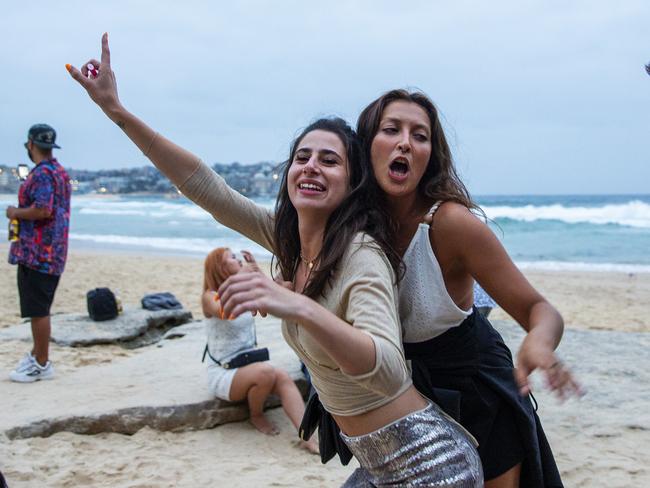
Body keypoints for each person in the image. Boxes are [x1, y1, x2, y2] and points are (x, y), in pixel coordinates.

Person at [67, 34, 483, 485]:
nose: (311, 167)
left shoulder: (361, 255)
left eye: (329, 160)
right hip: (376, 466)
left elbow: (385, 370)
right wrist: (117, 112)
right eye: (302, 157)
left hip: (432, 467)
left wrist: (296, 304)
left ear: (351, 182)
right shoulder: (289, 242)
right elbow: (206, 188)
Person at [356, 89, 583, 487]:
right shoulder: (352, 229)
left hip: (478, 396)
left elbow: (539, 310)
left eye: (420, 135)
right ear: (365, 145)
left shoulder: (451, 225)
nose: (406, 142)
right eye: (391, 129)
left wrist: (539, 343)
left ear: (430, 155)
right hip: (402, 399)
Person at [201, 247, 318, 453]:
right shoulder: (209, 296)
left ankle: (307, 436)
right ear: (219, 267)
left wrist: (257, 275)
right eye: (232, 258)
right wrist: (242, 279)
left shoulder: (243, 290)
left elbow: (265, 308)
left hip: (247, 365)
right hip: (224, 372)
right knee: (266, 372)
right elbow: (225, 311)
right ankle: (256, 415)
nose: (238, 260)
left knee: (282, 378)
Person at [6, 124, 71, 383]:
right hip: (52, 249)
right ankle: (37, 355)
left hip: (39, 251)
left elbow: (43, 210)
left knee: (38, 309)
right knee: (39, 307)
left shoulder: (43, 174)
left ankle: (41, 362)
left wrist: (15, 213)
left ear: (31, 145)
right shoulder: (60, 173)